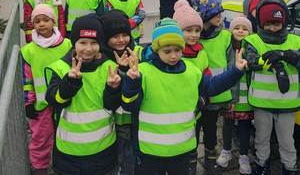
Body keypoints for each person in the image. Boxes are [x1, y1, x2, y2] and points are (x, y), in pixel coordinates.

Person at [121, 18, 247, 175]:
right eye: (167, 51)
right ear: (156, 50)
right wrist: (132, 83)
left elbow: (213, 86)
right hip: (150, 151)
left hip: (182, 149)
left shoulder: (192, 71)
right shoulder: (143, 72)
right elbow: (129, 105)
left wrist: (235, 71)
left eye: (178, 50)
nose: (173, 56)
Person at [45, 14, 121, 175]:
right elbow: (55, 100)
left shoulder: (109, 67)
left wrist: (113, 88)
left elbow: (111, 105)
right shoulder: (61, 68)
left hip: (103, 149)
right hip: (69, 153)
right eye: (83, 42)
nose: (88, 48)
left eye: (94, 43)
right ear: (74, 44)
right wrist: (70, 83)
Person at [243, 0, 300, 175]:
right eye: (267, 24)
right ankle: (262, 163)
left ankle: (289, 167)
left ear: (284, 22)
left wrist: (286, 55)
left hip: (287, 104)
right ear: (260, 23)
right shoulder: (253, 41)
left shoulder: (295, 41)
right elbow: (250, 61)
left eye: (276, 24)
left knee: (286, 140)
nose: (272, 28)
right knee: (261, 138)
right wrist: (268, 61)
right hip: (262, 104)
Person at [21, 4, 71, 175]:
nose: (41, 24)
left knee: (65, 135)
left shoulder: (67, 45)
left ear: (53, 22)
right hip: (41, 105)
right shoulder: (28, 51)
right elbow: (26, 79)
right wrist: (28, 102)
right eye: (37, 21)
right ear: (32, 24)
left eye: (45, 20)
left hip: (64, 100)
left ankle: (63, 166)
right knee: (40, 139)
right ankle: (39, 168)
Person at [191, 0, 232, 175]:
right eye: (216, 13)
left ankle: (210, 157)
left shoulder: (225, 36)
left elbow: (230, 67)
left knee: (210, 128)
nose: (220, 17)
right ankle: (191, 159)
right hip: (196, 97)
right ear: (205, 15)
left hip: (216, 95)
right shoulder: (193, 37)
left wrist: (232, 95)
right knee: (193, 130)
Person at [99, 9, 144, 175]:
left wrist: (129, 69)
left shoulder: (137, 53)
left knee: (132, 156)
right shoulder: (102, 57)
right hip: (113, 119)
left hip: (135, 117)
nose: (121, 40)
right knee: (118, 156)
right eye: (115, 36)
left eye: (125, 35)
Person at [172, 0, 210, 174]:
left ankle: (192, 162)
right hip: (177, 105)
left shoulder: (201, 51)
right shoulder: (174, 53)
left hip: (197, 104)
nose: (193, 35)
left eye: (197, 30)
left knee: (194, 135)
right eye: (188, 30)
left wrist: (205, 96)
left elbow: (206, 74)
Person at [216, 17, 253, 175]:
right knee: (228, 123)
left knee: (245, 125)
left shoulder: (252, 47)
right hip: (230, 92)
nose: (240, 31)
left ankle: (244, 156)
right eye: (236, 28)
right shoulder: (228, 46)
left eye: (244, 28)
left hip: (247, 95)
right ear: (231, 30)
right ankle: (226, 151)